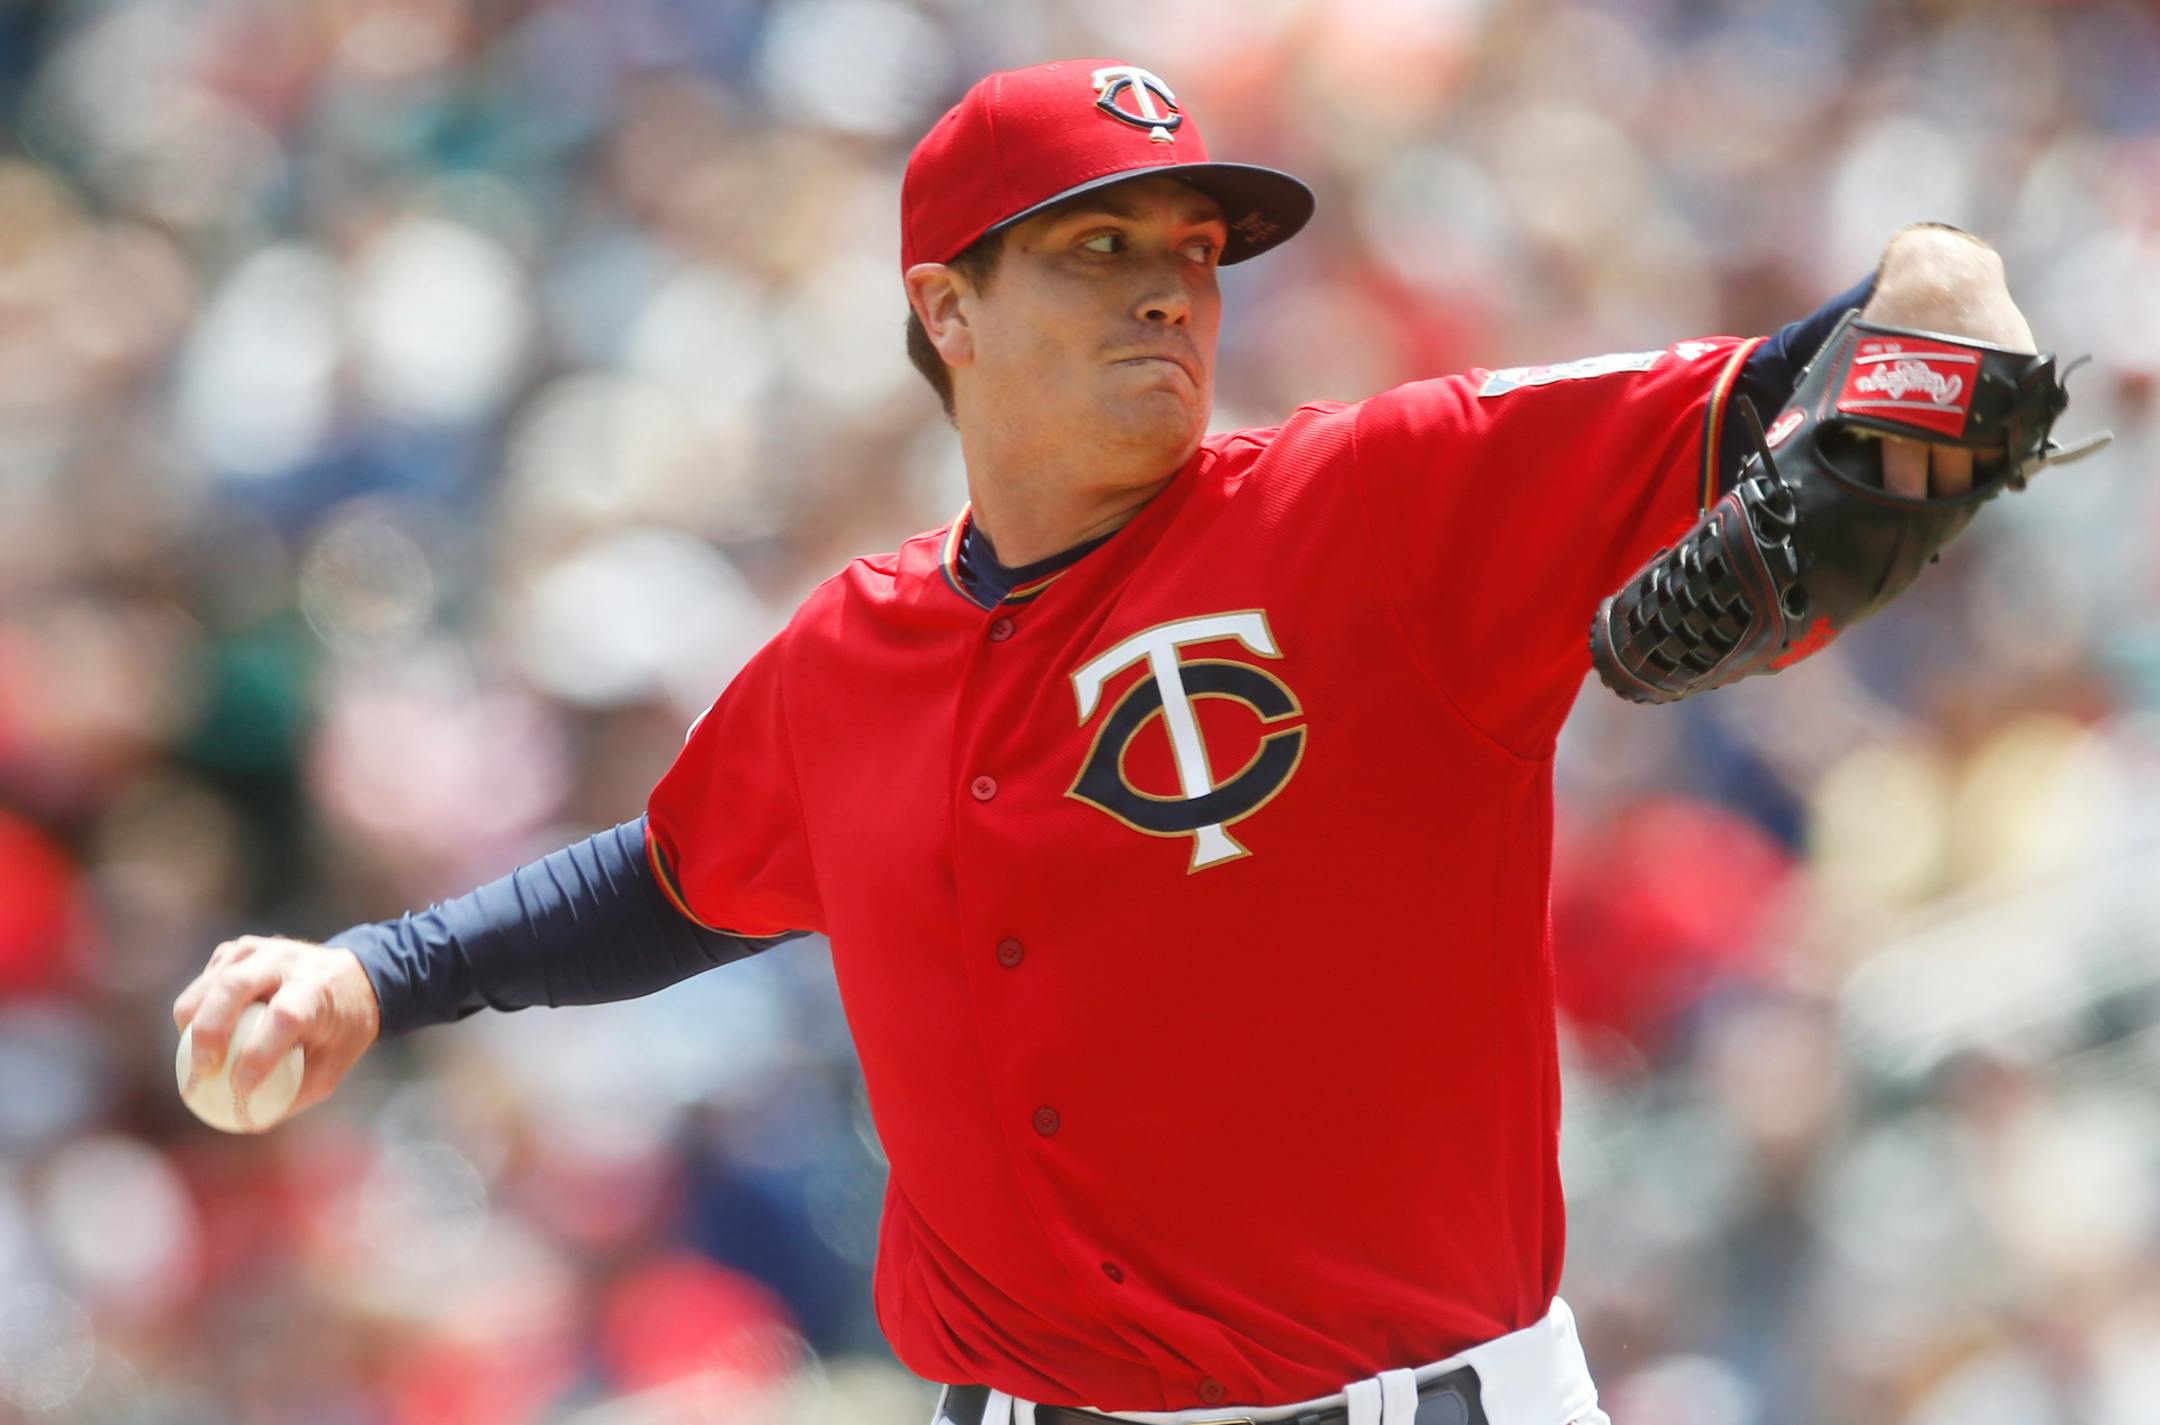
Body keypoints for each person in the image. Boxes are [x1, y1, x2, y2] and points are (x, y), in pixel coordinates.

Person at [174, 57, 2044, 1425]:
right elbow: (677, 882)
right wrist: (374, 972)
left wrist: (1943, 297)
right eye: (1097, 245)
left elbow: (1878, 336)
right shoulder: (855, 649)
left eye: (1198, 248)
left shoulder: (1377, 504)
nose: (1173, 282)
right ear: (945, 309)